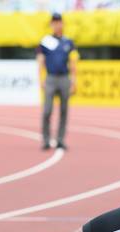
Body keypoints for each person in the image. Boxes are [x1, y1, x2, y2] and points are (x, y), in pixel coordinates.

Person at [37, 13, 79, 151]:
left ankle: (60, 139)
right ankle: (46, 139)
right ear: (51, 25)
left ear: (62, 24)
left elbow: (73, 62)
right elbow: (40, 61)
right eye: (54, 22)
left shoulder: (68, 42)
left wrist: (73, 80)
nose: (57, 25)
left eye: (59, 22)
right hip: (50, 78)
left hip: (64, 78)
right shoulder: (45, 41)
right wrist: (41, 78)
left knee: (64, 110)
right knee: (47, 110)